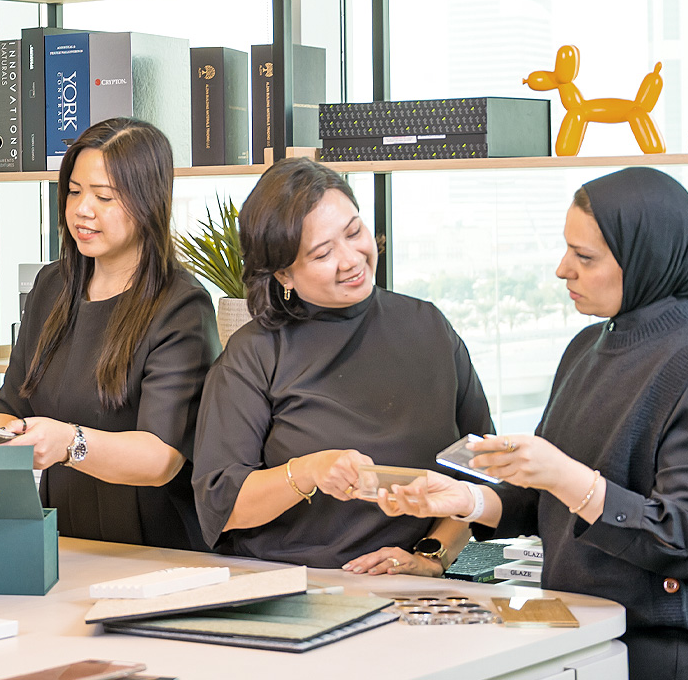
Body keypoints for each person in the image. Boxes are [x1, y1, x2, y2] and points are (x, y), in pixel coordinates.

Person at [378, 168, 688, 679]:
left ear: (645, 259)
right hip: (585, 633)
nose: (563, 270)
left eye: (585, 258)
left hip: (667, 652)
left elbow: (685, 540)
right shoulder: (587, 347)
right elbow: (547, 503)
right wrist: (469, 501)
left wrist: (561, 472)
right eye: (567, 250)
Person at [191, 157, 494, 575]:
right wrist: (310, 470)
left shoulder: (428, 326)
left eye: (354, 232)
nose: (351, 259)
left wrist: (431, 557)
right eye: (322, 253)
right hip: (289, 587)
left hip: (409, 589)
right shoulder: (255, 353)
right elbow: (222, 505)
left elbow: (477, 471)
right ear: (284, 274)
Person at [0, 117, 218, 550]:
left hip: (153, 547)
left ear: (149, 201)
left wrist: (68, 443)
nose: (82, 210)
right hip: (62, 538)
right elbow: (11, 406)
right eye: (74, 192)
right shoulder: (50, 287)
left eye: (104, 196)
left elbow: (161, 458)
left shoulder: (181, 305)